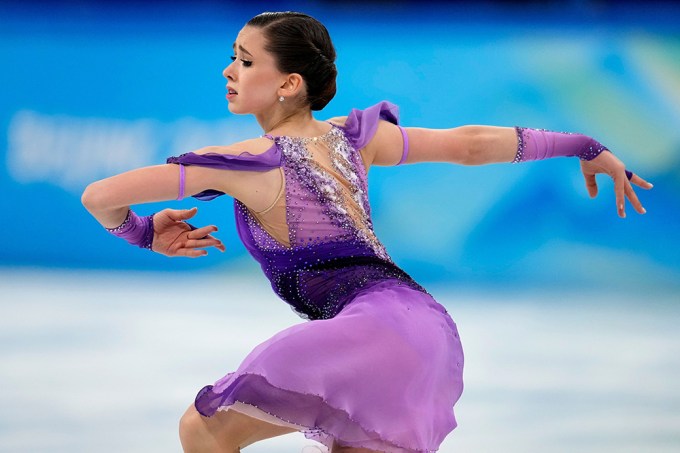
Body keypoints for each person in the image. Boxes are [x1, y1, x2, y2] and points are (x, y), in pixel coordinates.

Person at [81, 11, 653, 453]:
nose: (229, 71)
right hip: (426, 333)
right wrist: (584, 144)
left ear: (289, 83)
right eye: (232, 57)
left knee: (204, 430)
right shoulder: (357, 139)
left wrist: (142, 234)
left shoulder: (245, 161)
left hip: (372, 331)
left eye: (246, 60)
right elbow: (471, 145)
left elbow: (100, 196)